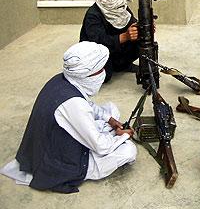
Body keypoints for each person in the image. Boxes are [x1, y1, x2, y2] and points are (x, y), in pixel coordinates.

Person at [0, 41, 137, 193]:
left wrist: (110, 120)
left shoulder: (62, 79)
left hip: (57, 136)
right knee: (129, 151)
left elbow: (88, 105)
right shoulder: (74, 105)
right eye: (100, 69)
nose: (104, 72)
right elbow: (101, 146)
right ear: (88, 74)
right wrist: (121, 137)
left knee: (111, 109)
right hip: (58, 160)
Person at [80, 0, 139, 83]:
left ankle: (123, 65)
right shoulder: (93, 15)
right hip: (99, 51)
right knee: (105, 76)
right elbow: (98, 43)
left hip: (116, 47)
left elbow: (132, 23)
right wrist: (124, 37)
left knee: (142, 43)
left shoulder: (120, 7)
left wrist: (143, 29)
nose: (121, 9)